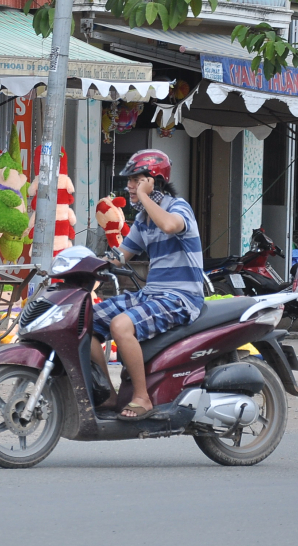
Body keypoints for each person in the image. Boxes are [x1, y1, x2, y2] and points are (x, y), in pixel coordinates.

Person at [90, 149, 204, 420]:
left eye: (136, 180)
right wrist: (83, 265)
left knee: (120, 325)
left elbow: (170, 226)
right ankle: (108, 394)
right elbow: (119, 257)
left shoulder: (178, 207)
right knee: (84, 319)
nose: (129, 186)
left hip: (181, 297)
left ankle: (142, 397)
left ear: (154, 180)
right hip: (152, 295)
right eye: (130, 181)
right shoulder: (142, 220)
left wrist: (142, 196)